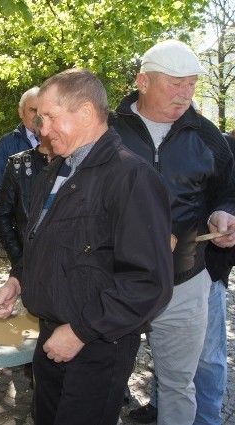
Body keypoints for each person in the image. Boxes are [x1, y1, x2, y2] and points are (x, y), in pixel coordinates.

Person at [0, 68, 174, 425]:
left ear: (87, 113)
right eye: (40, 119)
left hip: (96, 346)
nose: (42, 129)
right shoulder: (54, 170)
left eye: (50, 117)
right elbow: (46, 243)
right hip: (51, 336)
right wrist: (19, 279)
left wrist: (79, 333)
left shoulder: (130, 177)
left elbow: (148, 282)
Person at [111, 39, 235, 425]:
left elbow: (229, 191)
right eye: (175, 83)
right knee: (104, 377)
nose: (185, 95)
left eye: (192, 84)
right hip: (115, 279)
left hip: (186, 279)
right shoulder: (106, 131)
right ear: (143, 81)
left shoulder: (207, 135)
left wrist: (224, 213)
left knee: (181, 383)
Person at [129, 131, 235, 425]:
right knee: (167, 355)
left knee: (206, 359)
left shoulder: (215, 142)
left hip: (204, 271)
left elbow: (228, 197)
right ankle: (159, 407)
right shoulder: (131, 137)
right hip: (145, 276)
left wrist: (225, 214)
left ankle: (207, 420)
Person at [0, 115, 55, 266]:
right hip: (28, 262)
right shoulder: (18, 165)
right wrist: (19, 259)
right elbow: (1, 216)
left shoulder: (74, 163)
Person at [0, 87, 40, 219]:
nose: (38, 115)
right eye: (33, 110)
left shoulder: (56, 142)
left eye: (41, 110)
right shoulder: (6, 143)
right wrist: (7, 227)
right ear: (21, 112)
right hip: (19, 225)